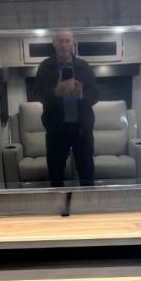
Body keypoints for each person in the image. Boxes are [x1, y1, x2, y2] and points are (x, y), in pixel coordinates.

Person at [31, 30, 99, 187]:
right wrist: (55, 92)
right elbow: (36, 94)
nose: (64, 45)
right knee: (55, 175)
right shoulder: (45, 67)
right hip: (56, 130)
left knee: (87, 174)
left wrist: (81, 96)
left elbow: (96, 94)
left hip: (82, 130)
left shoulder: (83, 66)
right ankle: (59, 203)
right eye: (60, 41)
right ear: (53, 43)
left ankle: (88, 202)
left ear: (72, 43)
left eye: (67, 41)